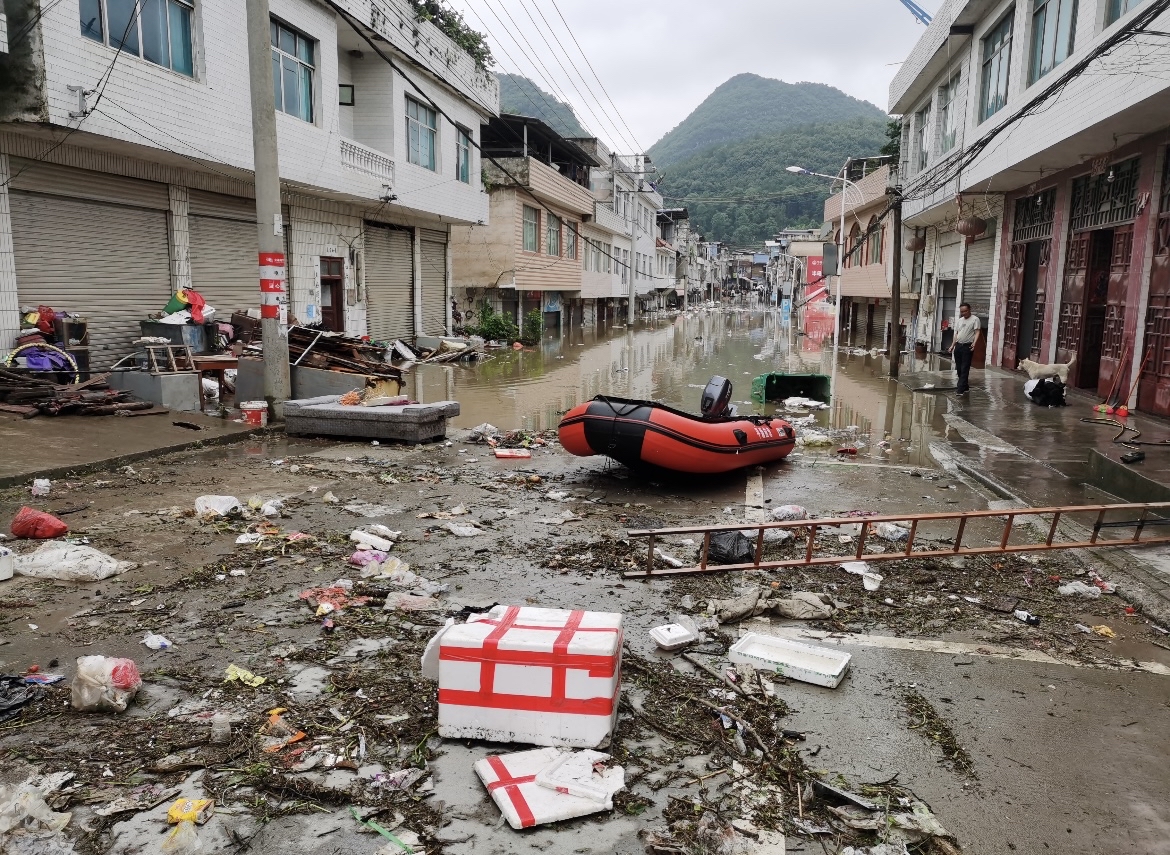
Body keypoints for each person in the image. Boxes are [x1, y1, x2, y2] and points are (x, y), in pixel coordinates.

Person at [950, 302, 981, 395]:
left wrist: (974, 343)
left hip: (968, 347)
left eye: (965, 311)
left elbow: (977, 332)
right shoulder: (960, 320)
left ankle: (960, 389)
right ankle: (965, 386)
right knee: (959, 368)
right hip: (958, 346)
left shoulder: (975, 319)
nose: (964, 313)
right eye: (962, 312)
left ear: (969, 310)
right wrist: (952, 345)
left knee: (965, 368)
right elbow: (956, 334)